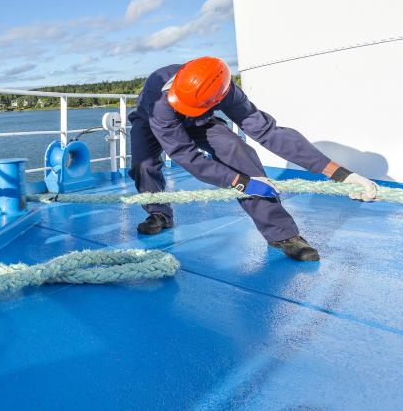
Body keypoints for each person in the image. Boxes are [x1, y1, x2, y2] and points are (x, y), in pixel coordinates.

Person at [128, 56, 378, 261]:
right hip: (151, 120)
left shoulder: (225, 90)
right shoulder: (162, 102)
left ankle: (282, 234)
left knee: (237, 149)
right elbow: (185, 154)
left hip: (198, 118)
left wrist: (340, 174)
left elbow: (267, 131)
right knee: (144, 164)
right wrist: (239, 181)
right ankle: (159, 213)